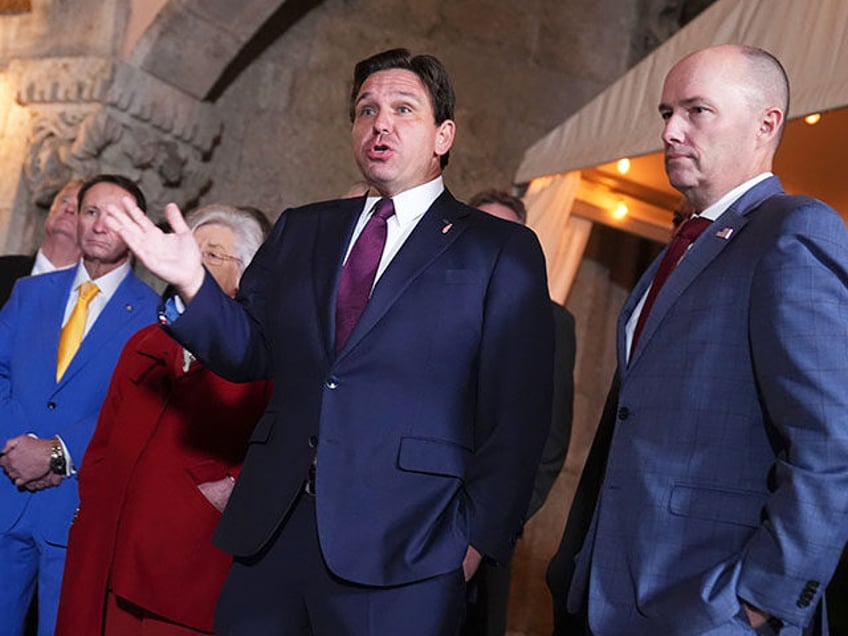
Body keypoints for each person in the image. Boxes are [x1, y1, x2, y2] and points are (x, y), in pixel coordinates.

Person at [103, 48, 554, 635]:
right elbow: (249, 352)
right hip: (275, 530)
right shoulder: (303, 228)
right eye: (366, 110)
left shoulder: (497, 249)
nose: (380, 122)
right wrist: (194, 284)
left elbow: (517, 415)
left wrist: (474, 541)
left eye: (402, 108)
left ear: (444, 134)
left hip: (406, 548)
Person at [558, 44, 848, 636]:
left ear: (767, 122)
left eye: (696, 110)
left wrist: (759, 603)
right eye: (667, 113)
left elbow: (833, 442)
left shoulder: (793, 229)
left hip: (710, 608)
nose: (671, 131)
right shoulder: (683, 247)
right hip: (609, 595)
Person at [55, 204, 273, 635]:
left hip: (187, 563)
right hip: (111, 548)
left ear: (247, 273)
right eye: (192, 249)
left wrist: (223, 491)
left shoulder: (264, 353)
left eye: (213, 254)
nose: (195, 261)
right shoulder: (146, 341)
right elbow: (102, 442)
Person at [0, 174, 158, 636]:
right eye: (91, 211)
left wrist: (58, 451)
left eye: (116, 215)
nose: (99, 223)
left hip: (78, 508)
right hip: (7, 490)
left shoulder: (153, 315)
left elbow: (141, 406)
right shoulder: (31, 293)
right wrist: (16, 447)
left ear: (138, 227)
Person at [463, 189, 576, 636]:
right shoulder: (420, 299)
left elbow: (549, 447)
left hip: (485, 543)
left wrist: (491, 526)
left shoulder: (552, 323)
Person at [0, 179, 83, 305]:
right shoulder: (4, 269)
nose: (69, 209)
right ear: (50, 211)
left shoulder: (90, 298)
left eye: (81, 207)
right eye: (64, 201)